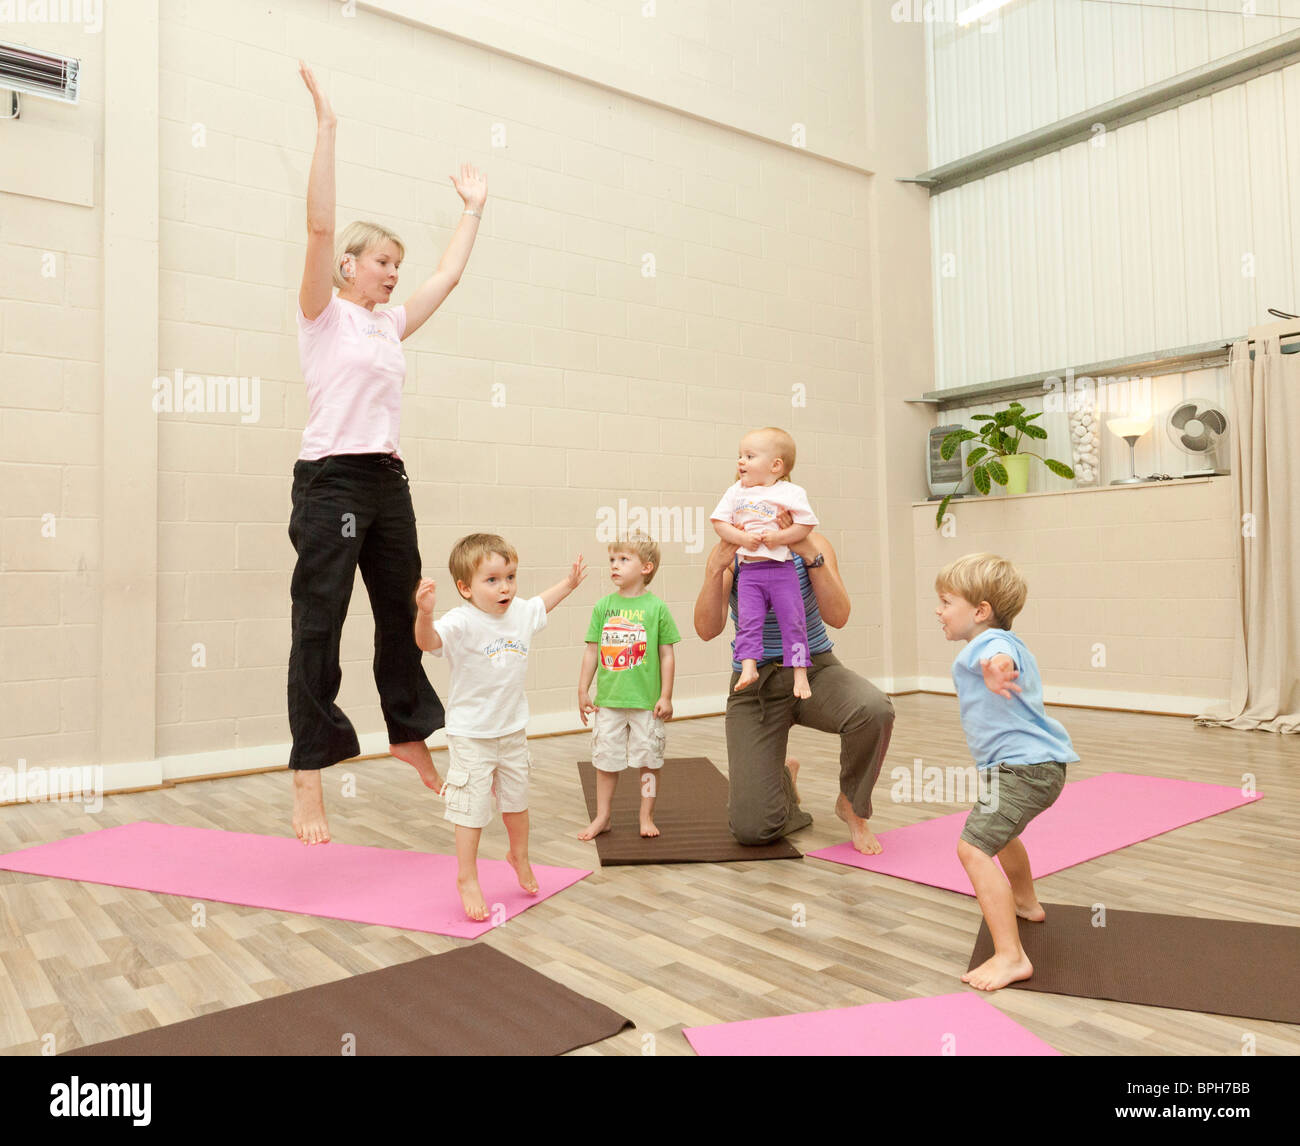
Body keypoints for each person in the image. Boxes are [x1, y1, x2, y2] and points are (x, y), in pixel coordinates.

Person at [288, 61, 486, 845]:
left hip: (387, 480)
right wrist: (328, 128)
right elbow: (316, 227)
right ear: (348, 266)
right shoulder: (322, 315)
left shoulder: (388, 325)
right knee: (320, 623)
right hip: (331, 482)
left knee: (406, 613)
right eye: (381, 261)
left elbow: (448, 275)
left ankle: (408, 731)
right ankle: (309, 773)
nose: (394, 272)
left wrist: (473, 209)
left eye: (396, 264)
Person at [693, 516, 894, 853]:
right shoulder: (732, 554)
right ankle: (783, 779)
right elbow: (706, 629)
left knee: (873, 708)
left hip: (815, 670)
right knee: (751, 829)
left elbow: (839, 616)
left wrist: (812, 558)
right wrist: (715, 570)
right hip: (755, 684)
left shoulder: (814, 545)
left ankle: (852, 806)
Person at [415, 534, 587, 920]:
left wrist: (570, 584)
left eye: (510, 576)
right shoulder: (461, 620)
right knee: (471, 811)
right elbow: (427, 643)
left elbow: (543, 603)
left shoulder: (521, 612)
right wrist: (425, 613)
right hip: (471, 735)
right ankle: (466, 877)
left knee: (516, 803)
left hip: (511, 731)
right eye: (491, 580)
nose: (505, 586)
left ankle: (519, 856)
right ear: (465, 588)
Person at [935, 552, 1079, 991]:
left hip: (1023, 770)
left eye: (945, 602)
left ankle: (1011, 956)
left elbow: (996, 657)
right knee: (1002, 835)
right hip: (1025, 769)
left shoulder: (990, 645)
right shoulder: (1004, 642)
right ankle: (1025, 901)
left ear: (980, 612)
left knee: (973, 850)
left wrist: (996, 672)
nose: (938, 612)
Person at [577, 532, 681, 840]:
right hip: (608, 701)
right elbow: (592, 651)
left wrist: (666, 695)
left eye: (624, 559)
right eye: (612, 559)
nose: (615, 565)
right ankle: (603, 816)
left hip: (646, 703)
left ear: (646, 567)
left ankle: (645, 815)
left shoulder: (656, 609)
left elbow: (667, 655)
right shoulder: (603, 607)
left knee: (648, 762)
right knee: (605, 761)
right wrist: (583, 688)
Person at [710, 428, 818, 698]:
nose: (740, 462)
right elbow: (719, 522)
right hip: (750, 572)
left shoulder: (791, 492)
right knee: (748, 621)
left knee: (793, 621)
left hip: (782, 570)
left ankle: (800, 673)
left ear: (775, 465)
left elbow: (805, 525)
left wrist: (780, 536)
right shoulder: (736, 492)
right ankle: (748, 666)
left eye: (749, 456)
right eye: (739, 456)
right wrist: (742, 539)